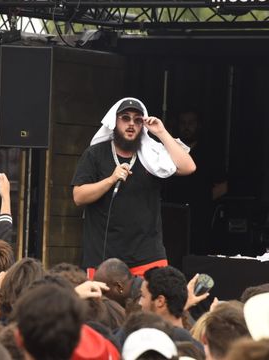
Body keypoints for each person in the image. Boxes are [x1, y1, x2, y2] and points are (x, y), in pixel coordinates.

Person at [72, 98, 196, 275]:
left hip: (147, 255)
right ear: (114, 122)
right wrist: (110, 180)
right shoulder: (95, 154)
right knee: (106, 304)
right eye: (125, 118)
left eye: (138, 120)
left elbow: (188, 167)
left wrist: (161, 132)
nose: (131, 124)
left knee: (152, 302)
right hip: (104, 256)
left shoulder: (151, 155)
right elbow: (78, 196)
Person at [164, 110, 228, 255]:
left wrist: (202, 200)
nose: (187, 127)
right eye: (183, 123)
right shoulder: (169, 150)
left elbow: (223, 186)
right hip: (172, 214)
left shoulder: (209, 152)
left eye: (191, 123)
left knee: (199, 256)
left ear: (198, 125)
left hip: (200, 216)